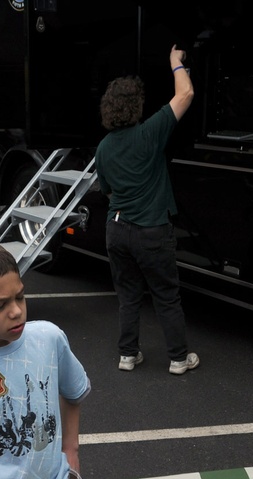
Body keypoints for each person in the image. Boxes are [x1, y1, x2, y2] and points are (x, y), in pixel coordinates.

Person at [95, 45, 200, 376]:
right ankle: (179, 359)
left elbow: (107, 189)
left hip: (117, 229)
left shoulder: (104, 146)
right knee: (166, 296)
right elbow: (186, 93)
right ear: (137, 105)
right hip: (152, 230)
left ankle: (128, 355)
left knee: (128, 296)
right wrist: (174, 60)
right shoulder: (151, 132)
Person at [0, 236, 90, 479]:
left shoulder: (49, 337)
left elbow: (74, 392)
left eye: (20, 296)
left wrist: (71, 451)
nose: (16, 311)